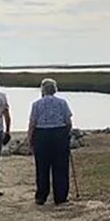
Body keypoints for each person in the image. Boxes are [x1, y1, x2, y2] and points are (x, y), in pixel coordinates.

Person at [27, 78, 73, 206]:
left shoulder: (36, 104)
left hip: (42, 135)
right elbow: (68, 122)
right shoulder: (62, 103)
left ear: (43, 90)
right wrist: (66, 135)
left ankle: (41, 196)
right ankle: (61, 196)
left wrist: (30, 139)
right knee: (61, 167)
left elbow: (32, 123)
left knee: (42, 167)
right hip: (59, 134)